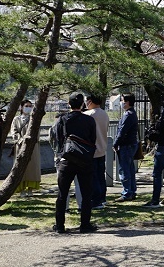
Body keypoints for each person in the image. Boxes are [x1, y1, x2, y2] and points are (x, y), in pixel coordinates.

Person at [52, 92, 97, 234]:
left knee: (62, 193)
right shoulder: (89, 120)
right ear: (83, 104)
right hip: (84, 160)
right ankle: (85, 224)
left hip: (67, 159)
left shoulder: (63, 119)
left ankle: (60, 225)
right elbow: (92, 139)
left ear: (69, 104)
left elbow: (57, 139)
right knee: (86, 193)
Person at [10, 99, 41, 196]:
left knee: (32, 167)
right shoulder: (16, 119)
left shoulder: (34, 119)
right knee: (20, 167)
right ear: (21, 107)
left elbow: (37, 131)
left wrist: (32, 140)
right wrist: (20, 140)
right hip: (20, 146)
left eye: (30, 106)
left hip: (32, 146)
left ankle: (30, 189)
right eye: (26, 106)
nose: (28, 108)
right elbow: (13, 132)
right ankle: (22, 189)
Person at [85, 94, 110, 210]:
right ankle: (102, 198)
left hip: (92, 150)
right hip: (102, 148)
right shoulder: (104, 114)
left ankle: (96, 201)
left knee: (93, 177)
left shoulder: (89, 115)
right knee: (101, 176)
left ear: (90, 101)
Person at [113, 93, 139, 202]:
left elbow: (122, 131)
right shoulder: (132, 113)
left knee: (124, 169)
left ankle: (127, 192)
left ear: (127, 102)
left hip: (126, 145)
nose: (122, 103)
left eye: (123, 100)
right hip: (131, 144)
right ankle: (132, 190)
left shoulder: (128, 115)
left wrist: (115, 143)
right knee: (130, 168)